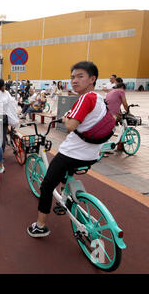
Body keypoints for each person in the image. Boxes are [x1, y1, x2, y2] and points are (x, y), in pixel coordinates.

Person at [27, 61, 105, 237]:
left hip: (73, 153)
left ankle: (40, 226)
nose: (74, 81)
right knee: (64, 174)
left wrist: (64, 119)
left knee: (46, 186)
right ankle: (66, 199)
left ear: (92, 79)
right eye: (72, 77)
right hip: (92, 154)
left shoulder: (85, 98)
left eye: (80, 76)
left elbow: (70, 125)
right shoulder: (100, 99)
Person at [0, 79, 20, 152]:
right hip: (6, 116)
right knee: (3, 135)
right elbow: (12, 102)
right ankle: (2, 151)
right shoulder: (6, 92)